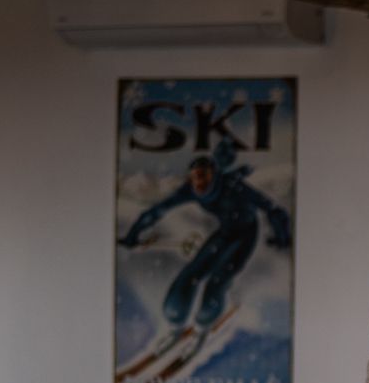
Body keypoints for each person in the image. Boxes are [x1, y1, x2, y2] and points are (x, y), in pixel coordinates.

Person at [118, 136, 292, 337]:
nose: (199, 183)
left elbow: (274, 210)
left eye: (204, 177)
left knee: (219, 278)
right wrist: (133, 235)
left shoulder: (234, 187)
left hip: (246, 234)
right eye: (196, 177)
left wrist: (283, 238)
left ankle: (205, 320)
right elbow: (156, 211)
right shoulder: (190, 189)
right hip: (225, 232)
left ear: (214, 175)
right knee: (192, 272)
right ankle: (175, 318)